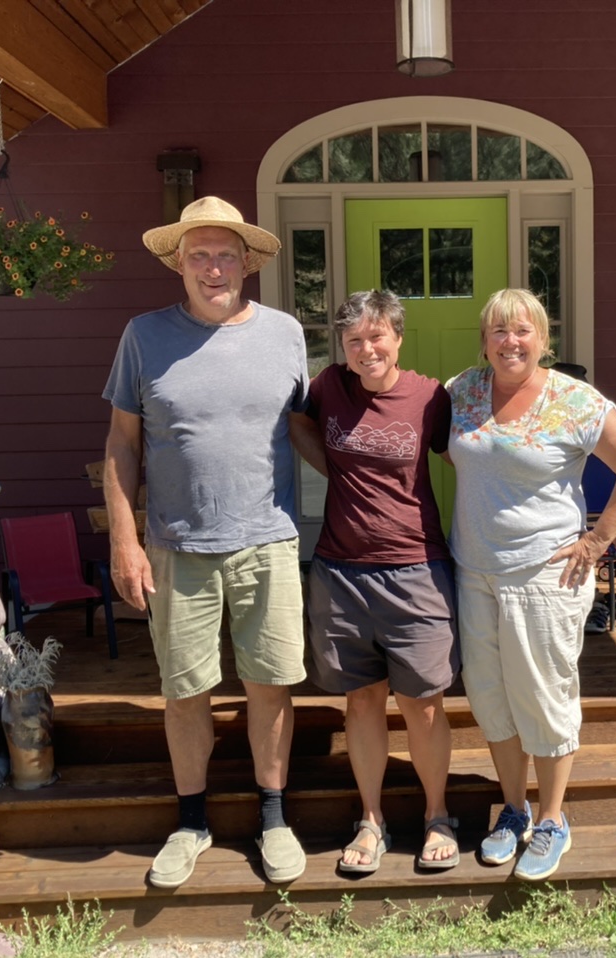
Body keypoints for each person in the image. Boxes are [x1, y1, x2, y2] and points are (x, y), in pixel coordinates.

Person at [102, 196, 309, 888]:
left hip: (268, 541)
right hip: (176, 546)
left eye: (225, 254)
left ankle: (273, 817)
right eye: (200, 255)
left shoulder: (285, 335)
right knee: (184, 691)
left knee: (270, 686)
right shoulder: (144, 335)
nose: (213, 267)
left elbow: (305, 429)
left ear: (247, 263)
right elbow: (121, 443)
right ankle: (191, 821)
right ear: (179, 264)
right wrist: (124, 541)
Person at [445, 288, 616, 882]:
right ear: (484, 340)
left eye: (522, 331)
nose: (510, 342)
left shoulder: (574, 401)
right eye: (498, 331)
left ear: (542, 339)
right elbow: (458, 457)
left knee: (543, 696)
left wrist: (595, 541)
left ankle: (552, 818)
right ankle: (513, 811)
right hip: (474, 572)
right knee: (493, 698)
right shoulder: (462, 390)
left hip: (545, 575)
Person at [289, 290, 461, 874]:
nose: (367, 350)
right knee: (361, 703)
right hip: (341, 573)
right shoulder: (327, 388)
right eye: (354, 340)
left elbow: (472, 457)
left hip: (417, 570)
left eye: (377, 336)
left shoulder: (430, 397)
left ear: (397, 336)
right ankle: (372, 820)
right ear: (343, 346)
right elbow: (295, 425)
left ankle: (437, 815)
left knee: (424, 704)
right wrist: (334, 469)